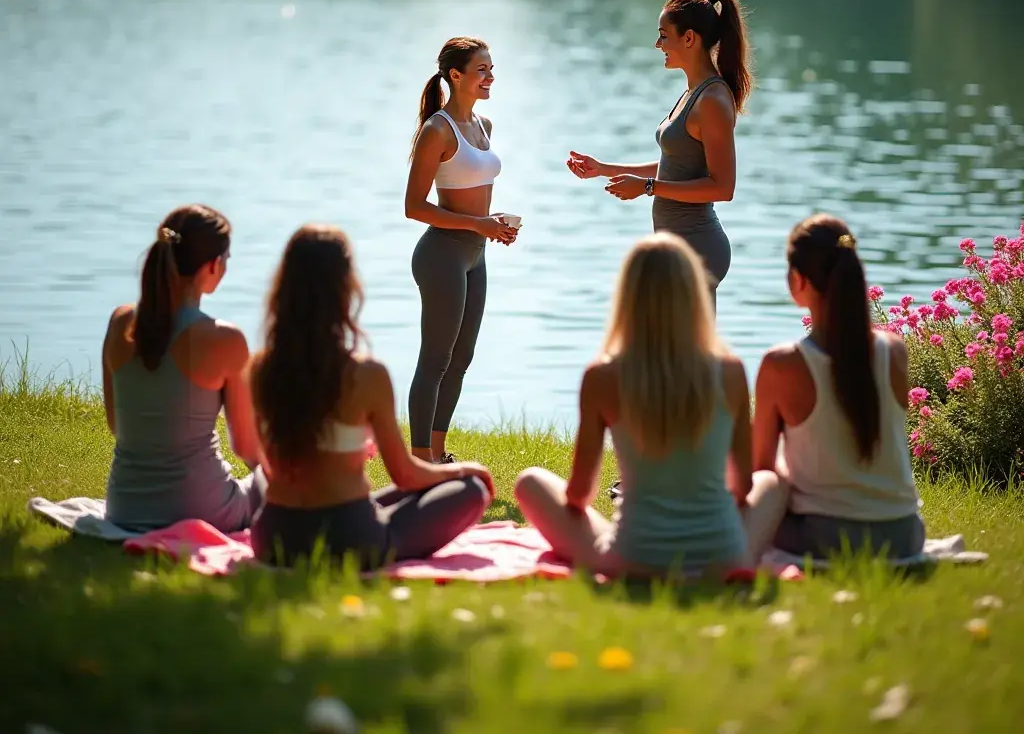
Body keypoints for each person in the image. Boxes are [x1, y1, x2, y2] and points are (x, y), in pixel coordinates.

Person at [514, 234, 785, 579]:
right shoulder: (730, 371)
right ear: (694, 295)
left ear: (628, 297)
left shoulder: (602, 376)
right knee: (771, 483)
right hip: (723, 556)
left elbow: (580, 495)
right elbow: (743, 487)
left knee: (530, 482)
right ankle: (734, 553)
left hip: (633, 558)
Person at [250, 224, 494, 568]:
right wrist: (464, 471)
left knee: (407, 494)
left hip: (273, 535)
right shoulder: (366, 374)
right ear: (346, 288)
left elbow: (260, 456)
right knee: (470, 490)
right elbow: (405, 475)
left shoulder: (260, 369)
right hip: (348, 538)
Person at [752, 214, 924, 560]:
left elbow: (761, 469)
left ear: (797, 280)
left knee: (754, 494)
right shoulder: (894, 351)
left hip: (826, 537)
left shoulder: (782, 364)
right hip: (905, 535)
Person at [567, 0, 752, 309]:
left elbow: (723, 187)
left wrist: (648, 187)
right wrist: (605, 169)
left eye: (664, 36)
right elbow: (677, 165)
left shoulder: (712, 100)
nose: (657, 45)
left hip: (697, 247)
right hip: (677, 247)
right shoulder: (693, 93)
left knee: (683, 343)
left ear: (689, 38)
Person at [101, 205, 265, 532]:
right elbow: (247, 448)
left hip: (124, 508)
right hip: (204, 509)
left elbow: (117, 424)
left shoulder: (120, 322)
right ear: (214, 265)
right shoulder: (224, 338)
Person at [404, 36, 520, 463]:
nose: (490, 77)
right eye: (481, 70)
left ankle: (437, 455)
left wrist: (493, 223)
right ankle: (420, 463)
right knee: (435, 359)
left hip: (476, 253)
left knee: (461, 358)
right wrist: (478, 224)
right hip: (442, 256)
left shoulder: (483, 125)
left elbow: (474, 194)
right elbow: (414, 207)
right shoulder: (437, 129)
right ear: (456, 75)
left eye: (491, 69)